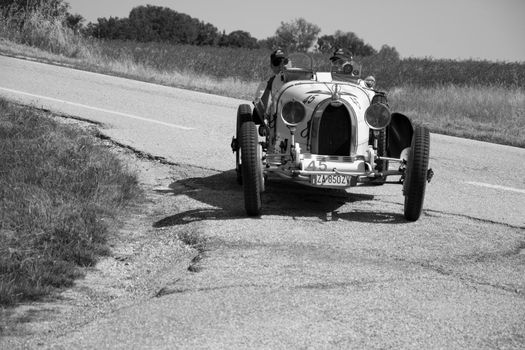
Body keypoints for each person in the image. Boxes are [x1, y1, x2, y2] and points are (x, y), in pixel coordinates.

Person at [254, 49, 289, 122]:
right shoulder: (266, 83)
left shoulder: (298, 81)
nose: (280, 65)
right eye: (277, 62)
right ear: (271, 66)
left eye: (284, 62)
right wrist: (269, 87)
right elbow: (259, 112)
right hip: (276, 118)